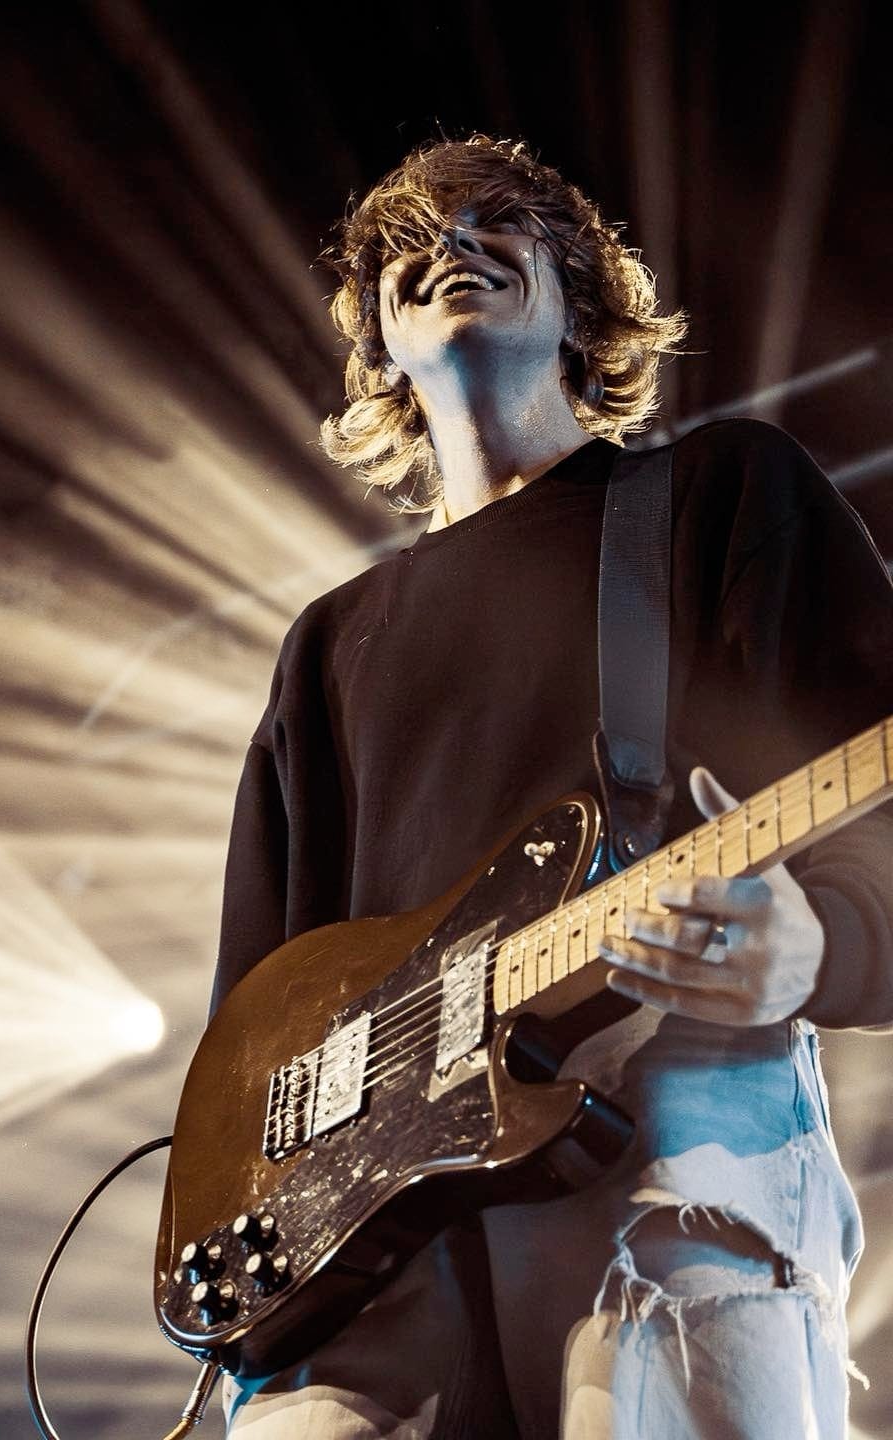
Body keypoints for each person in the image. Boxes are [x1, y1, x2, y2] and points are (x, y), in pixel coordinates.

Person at [210, 136, 893, 1439]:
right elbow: (257, 1015)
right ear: (382, 349)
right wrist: (263, 1240)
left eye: (497, 223)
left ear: (582, 296)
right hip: (376, 1223)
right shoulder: (328, 645)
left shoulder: (720, 495)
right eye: (411, 243)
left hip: (674, 1118)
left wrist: (830, 944)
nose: (450, 245)